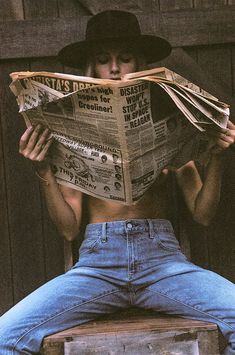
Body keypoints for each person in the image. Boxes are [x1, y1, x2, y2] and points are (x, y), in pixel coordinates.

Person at [0, 9, 235, 355]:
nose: (114, 68)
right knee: (6, 336)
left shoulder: (169, 122)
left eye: (124, 59)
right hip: (98, 265)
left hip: (163, 263)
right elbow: (67, 229)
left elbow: (202, 214)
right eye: (103, 60)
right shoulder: (71, 132)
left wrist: (216, 157)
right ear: (91, 69)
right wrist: (44, 172)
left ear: (139, 64)